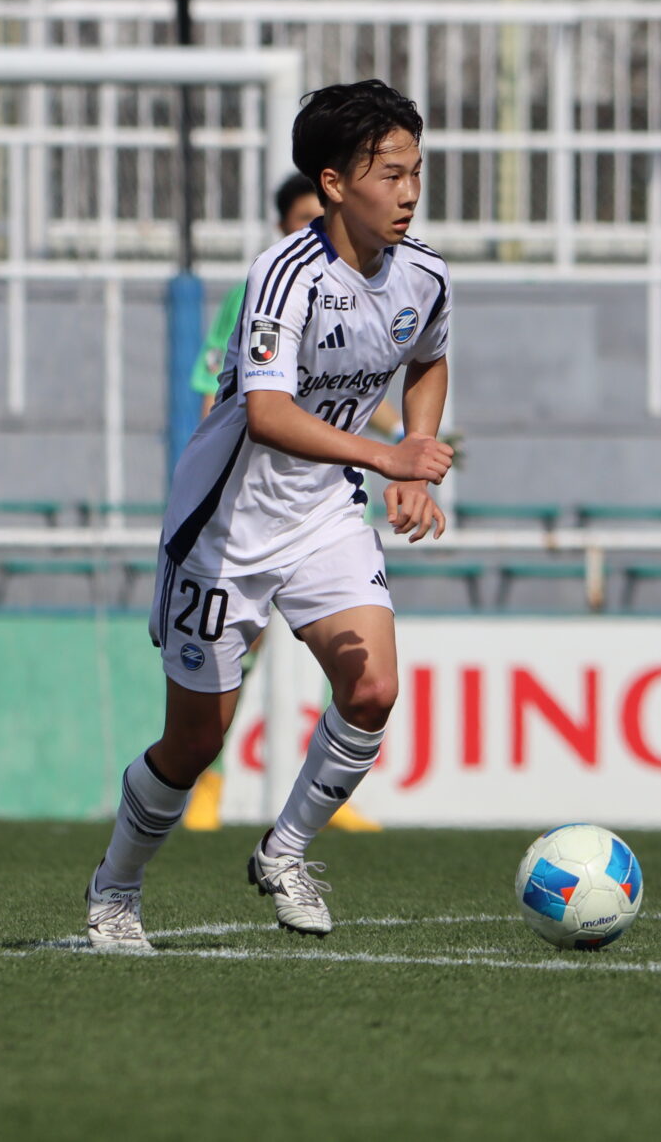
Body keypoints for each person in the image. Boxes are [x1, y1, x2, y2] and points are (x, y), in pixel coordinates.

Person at [85, 79, 452, 951]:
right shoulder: (285, 273)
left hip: (324, 514)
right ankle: (115, 889)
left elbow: (429, 357)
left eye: (416, 171)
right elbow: (267, 413)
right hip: (226, 530)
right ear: (334, 183)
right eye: (390, 174)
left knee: (373, 688)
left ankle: (284, 851)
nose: (408, 191)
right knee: (194, 743)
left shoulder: (426, 273)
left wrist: (418, 453)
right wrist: (389, 457)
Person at [179, 171, 383, 836]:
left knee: (352, 654)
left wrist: (413, 442)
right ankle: (209, 783)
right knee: (240, 653)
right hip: (253, 508)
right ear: (281, 226)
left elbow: (355, 388)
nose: (312, 230)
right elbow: (218, 387)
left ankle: (328, 793)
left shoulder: (364, 287)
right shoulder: (259, 288)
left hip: (327, 502)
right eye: (300, 220)